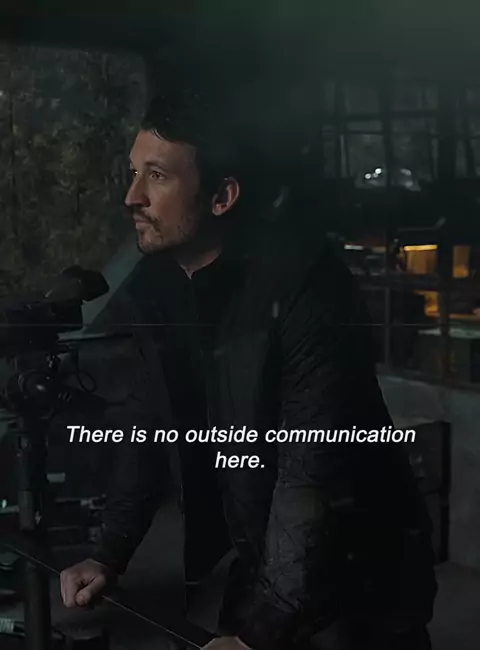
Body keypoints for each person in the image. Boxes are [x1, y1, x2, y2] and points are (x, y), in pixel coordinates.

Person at [60, 92, 437, 650]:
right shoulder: (159, 285)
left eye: (157, 176)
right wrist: (108, 553)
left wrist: (260, 632)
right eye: (133, 173)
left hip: (362, 577)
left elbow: (311, 471)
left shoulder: (304, 284)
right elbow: (146, 426)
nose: (131, 197)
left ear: (222, 196)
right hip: (264, 559)